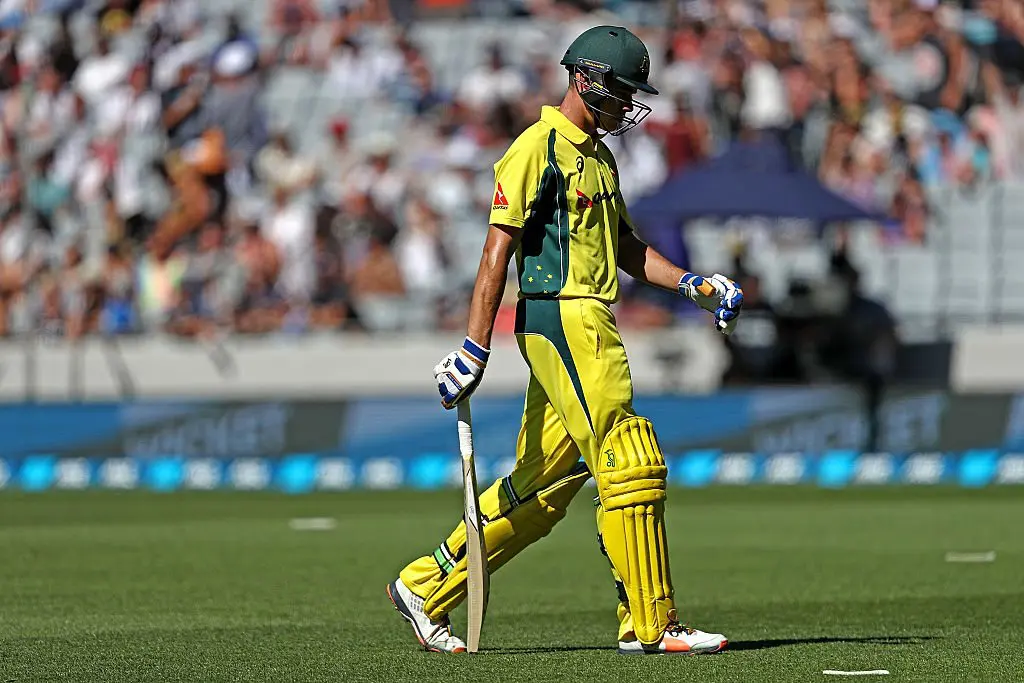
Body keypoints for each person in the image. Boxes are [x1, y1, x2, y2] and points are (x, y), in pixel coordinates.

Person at [387, 26, 744, 656]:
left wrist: (692, 283)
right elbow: (496, 251)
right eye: (620, 90)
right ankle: (652, 624)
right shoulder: (537, 148)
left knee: (543, 488)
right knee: (629, 456)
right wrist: (474, 347)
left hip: (591, 316)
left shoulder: (600, 156)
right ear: (583, 80)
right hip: (563, 316)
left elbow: (625, 247)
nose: (628, 104)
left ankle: (423, 587)